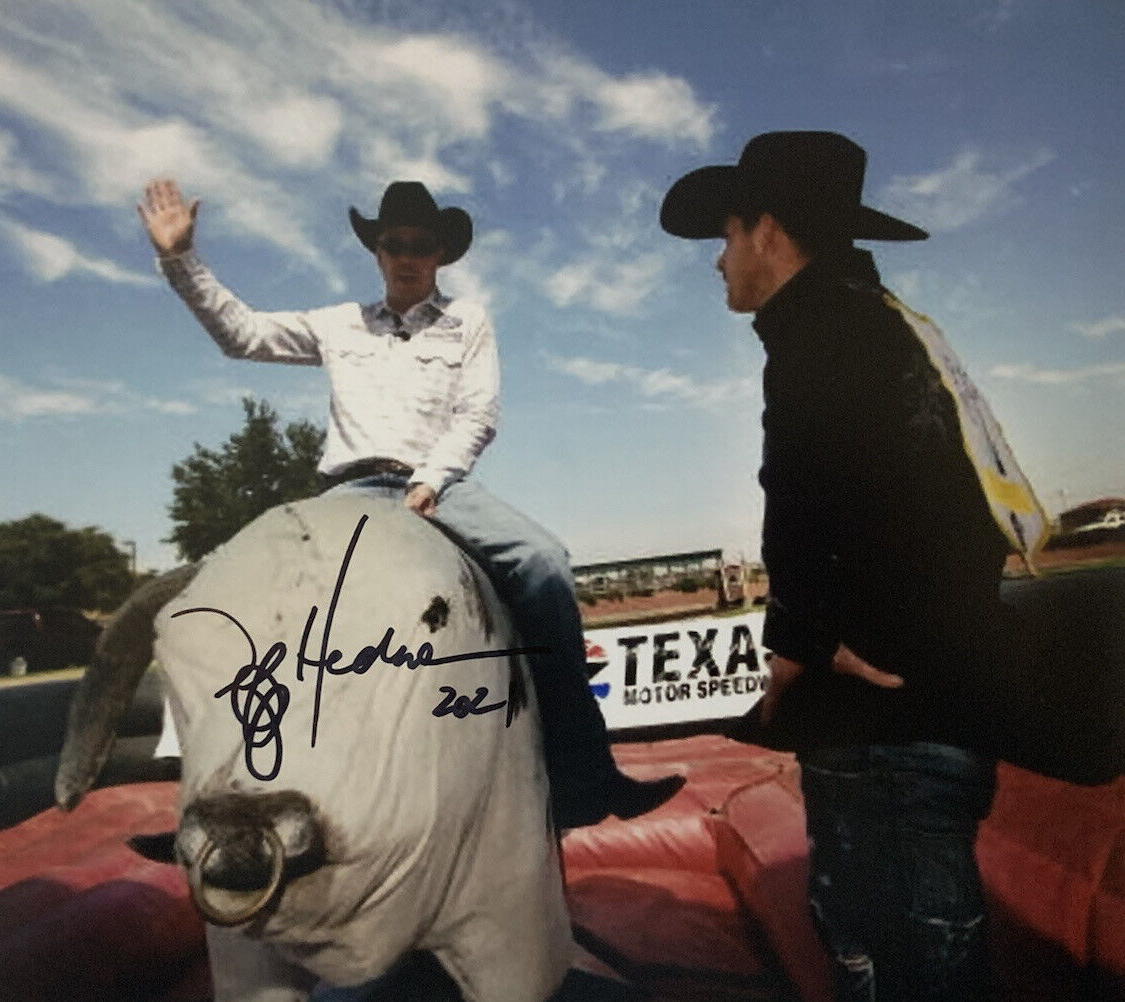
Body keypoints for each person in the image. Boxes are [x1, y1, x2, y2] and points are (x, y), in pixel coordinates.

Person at [139, 177, 683, 829]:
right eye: (393, 243)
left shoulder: (467, 322)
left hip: (439, 486)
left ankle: (581, 772)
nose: (405, 255)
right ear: (375, 251)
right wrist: (180, 259)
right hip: (347, 490)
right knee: (242, 597)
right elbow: (243, 335)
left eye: (419, 245)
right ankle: (219, 803)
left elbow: (478, 413)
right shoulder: (338, 323)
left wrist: (430, 480)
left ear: (439, 256)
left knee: (542, 561)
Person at [659, 131, 1047, 1001]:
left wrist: (801, 644)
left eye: (723, 236)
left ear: (766, 229)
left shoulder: (822, 333)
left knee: (893, 961)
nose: (716, 261)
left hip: (885, 730)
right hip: (929, 704)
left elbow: (800, 488)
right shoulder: (879, 324)